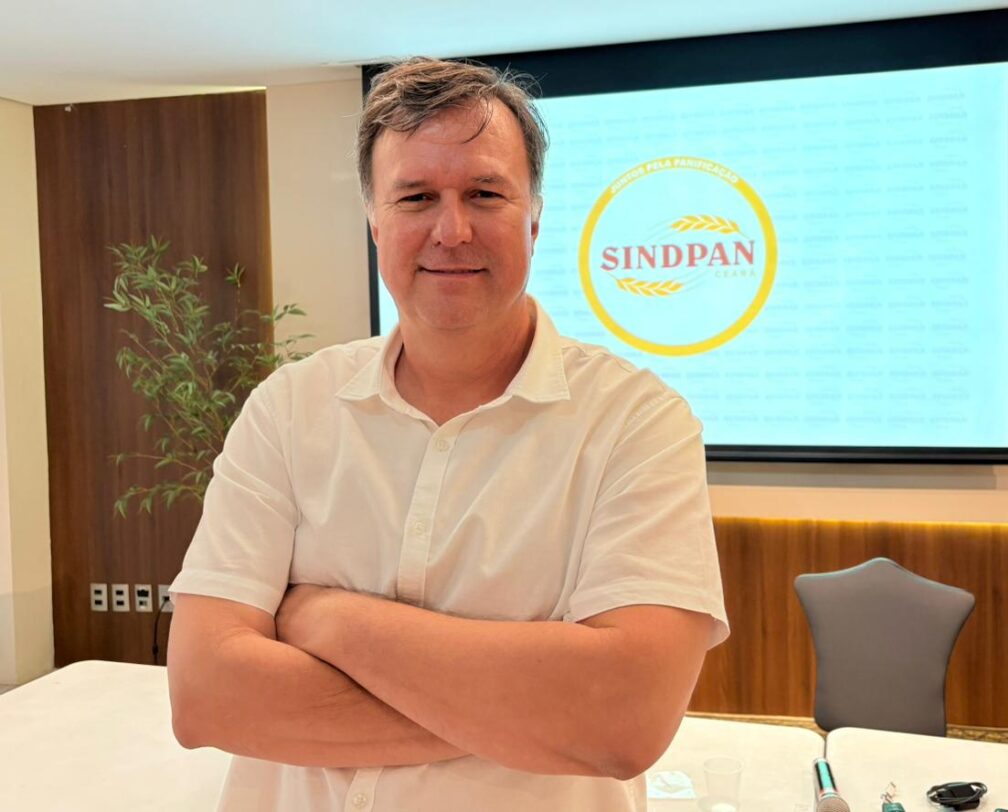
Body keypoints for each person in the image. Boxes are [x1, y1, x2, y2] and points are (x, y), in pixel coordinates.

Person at [166, 56, 728, 812]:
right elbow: (207, 696)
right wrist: (527, 712)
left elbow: (622, 718)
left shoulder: (637, 423)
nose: (452, 230)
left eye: (485, 194)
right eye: (416, 197)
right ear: (375, 221)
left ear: (534, 218)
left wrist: (327, 617)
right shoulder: (288, 409)